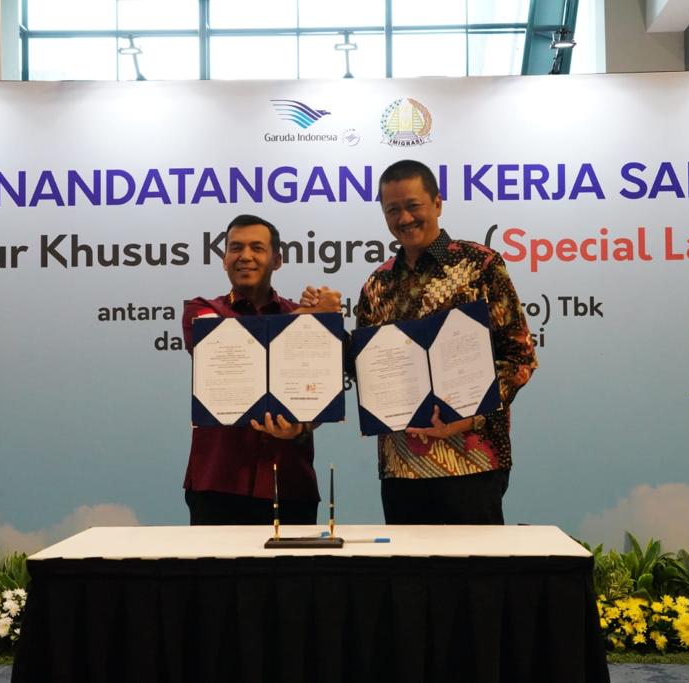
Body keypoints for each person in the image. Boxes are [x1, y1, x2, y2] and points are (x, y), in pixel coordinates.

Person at [305, 160, 537, 524]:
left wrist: (468, 417)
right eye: (392, 210)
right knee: (407, 563)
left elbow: (519, 356)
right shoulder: (377, 284)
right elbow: (364, 369)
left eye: (413, 205)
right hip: (401, 467)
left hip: (473, 460)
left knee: (474, 563)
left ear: (437, 203)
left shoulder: (480, 266)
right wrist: (325, 323)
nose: (404, 218)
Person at [182, 214, 341, 525]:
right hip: (218, 483)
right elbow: (235, 346)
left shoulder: (298, 314)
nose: (245, 256)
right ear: (224, 259)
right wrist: (308, 317)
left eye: (257, 247)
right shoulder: (201, 311)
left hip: (290, 482)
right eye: (235, 248)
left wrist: (300, 428)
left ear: (277, 260)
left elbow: (319, 393)